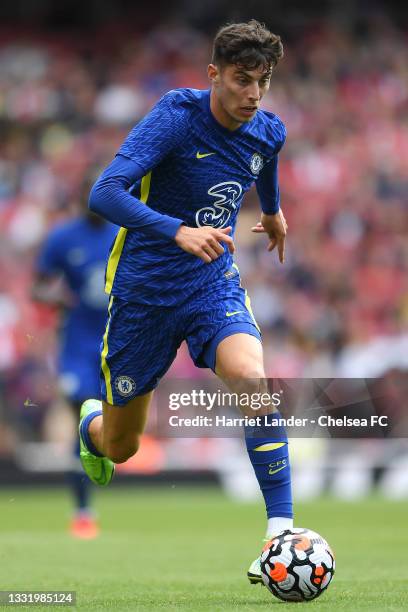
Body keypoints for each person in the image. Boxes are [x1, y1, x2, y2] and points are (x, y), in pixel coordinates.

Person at [79, 19, 292, 581]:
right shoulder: (176, 117)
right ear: (214, 74)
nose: (252, 94)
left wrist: (270, 213)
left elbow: (265, 162)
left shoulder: (268, 129)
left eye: (262, 81)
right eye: (242, 80)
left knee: (254, 381)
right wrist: (175, 230)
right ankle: (91, 430)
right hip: (143, 293)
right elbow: (104, 192)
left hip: (209, 282)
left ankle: (280, 533)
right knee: (121, 448)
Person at [33, 178, 118, 539]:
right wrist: (55, 299)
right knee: (81, 411)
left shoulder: (124, 233)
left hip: (118, 344)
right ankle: (83, 510)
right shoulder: (62, 238)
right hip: (77, 346)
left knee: (112, 421)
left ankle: (100, 459)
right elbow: (39, 285)